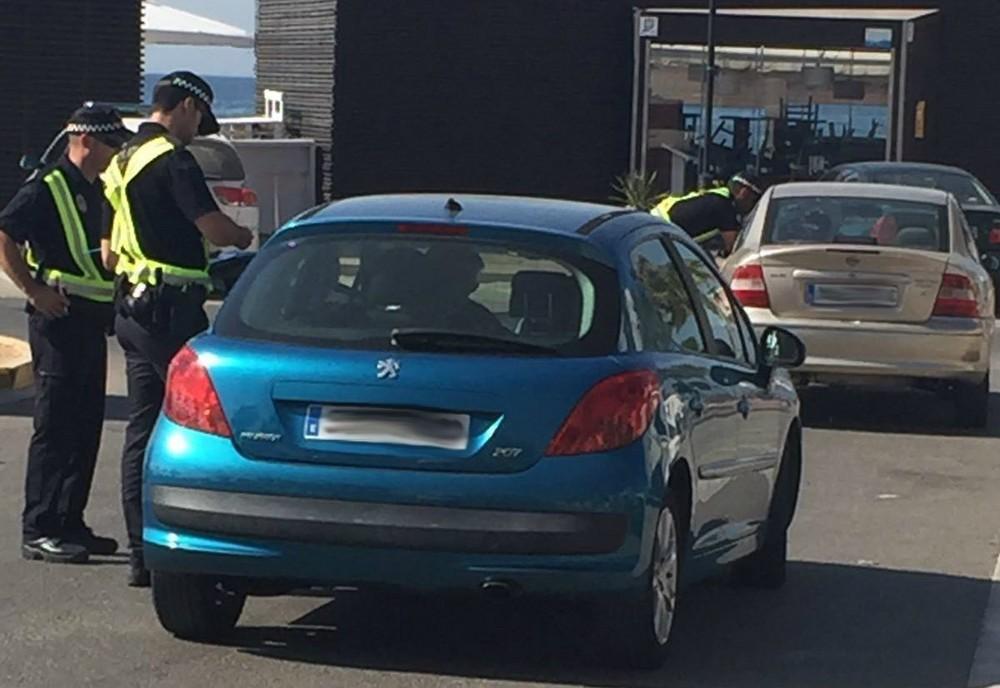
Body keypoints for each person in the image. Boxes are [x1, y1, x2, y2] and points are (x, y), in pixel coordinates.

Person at [104, 71, 253, 586]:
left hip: (131, 304)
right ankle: (189, 547)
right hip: (170, 308)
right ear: (187, 107)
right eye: (199, 120)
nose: (197, 131)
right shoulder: (173, 158)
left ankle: (140, 553)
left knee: (142, 430)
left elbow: (108, 247)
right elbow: (212, 226)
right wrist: (240, 234)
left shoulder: (123, 158)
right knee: (195, 426)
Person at [0, 106, 131, 563]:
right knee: (55, 426)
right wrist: (34, 291)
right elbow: (4, 235)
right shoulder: (47, 186)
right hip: (58, 321)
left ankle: (70, 520)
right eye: (112, 144)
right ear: (87, 142)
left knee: (85, 424)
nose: (116, 152)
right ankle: (40, 527)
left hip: (91, 322)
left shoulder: (97, 190)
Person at [651, 173, 764, 254]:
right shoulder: (724, 207)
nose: (752, 206)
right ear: (743, 193)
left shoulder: (716, 196)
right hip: (662, 233)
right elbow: (733, 247)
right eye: (753, 200)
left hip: (656, 220)